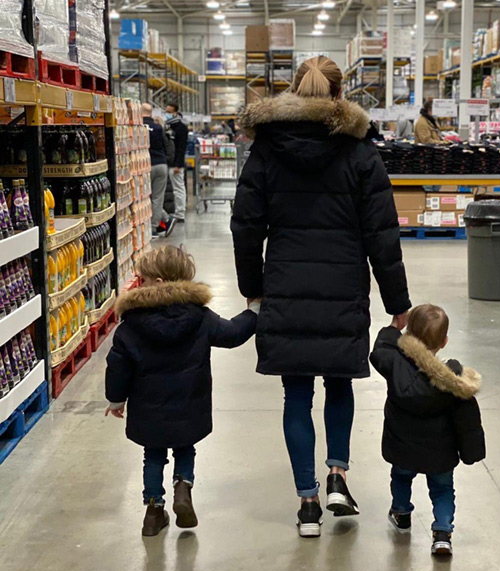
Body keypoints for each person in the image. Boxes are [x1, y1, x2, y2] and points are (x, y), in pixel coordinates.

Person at [231, 56, 412, 538]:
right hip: (342, 287)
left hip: (286, 285)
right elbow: (382, 233)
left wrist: (254, 290)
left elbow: (246, 226)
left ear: (292, 92)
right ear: (339, 94)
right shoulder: (358, 150)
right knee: (338, 383)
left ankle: (308, 503)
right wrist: (398, 302)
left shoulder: (266, 149)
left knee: (295, 393)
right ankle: (337, 474)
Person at [104, 246, 259, 537]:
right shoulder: (199, 317)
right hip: (190, 405)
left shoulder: (132, 324)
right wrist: (253, 314)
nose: (139, 284)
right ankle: (183, 489)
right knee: (185, 447)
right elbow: (232, 334)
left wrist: (116, 398)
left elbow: (117, 365)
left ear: (159, 283)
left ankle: (153, 512)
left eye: (144, 279)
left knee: (153, 455)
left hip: (149, 409)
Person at [369, 304, 485, 555]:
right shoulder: (453, 381)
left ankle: (401, 513)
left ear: (409, 337)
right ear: (444, 342)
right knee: (442, 490)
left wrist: (393, 328)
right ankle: (442, 532)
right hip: (440, 454)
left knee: (401, 477)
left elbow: (379, 351)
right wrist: (472, 451)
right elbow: (467, 420)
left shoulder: (394, 366)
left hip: (402, 447)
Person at [142, 103, 175, 238]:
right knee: (157, 197)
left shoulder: (137, 127)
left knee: (145, 198)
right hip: (161, 164)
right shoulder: (158, 127)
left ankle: (154, 228)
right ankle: (166, 219)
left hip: (145, 166)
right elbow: (165, 144)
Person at [165, 103, 188, 223]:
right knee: (173, 190)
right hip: (168, 163)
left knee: (178, 189)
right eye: (166, 111)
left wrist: (178, 165)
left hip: (176, 165)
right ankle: (175, 211)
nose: (166, 114)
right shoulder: (168, 126)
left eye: (169, 112)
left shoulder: (181, 127)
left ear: (175, 112)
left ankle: (180, 213)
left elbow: (181, 148)